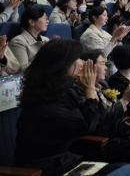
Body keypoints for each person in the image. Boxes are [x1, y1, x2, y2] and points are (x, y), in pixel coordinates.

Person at [15, 40, 86, 175]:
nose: (82, 63)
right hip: (44, 169)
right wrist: (90, 90)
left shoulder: (64, 90)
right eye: (77, 59)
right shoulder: (43, 105)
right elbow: (85, 125)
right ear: (61, 66)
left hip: (65, 161)